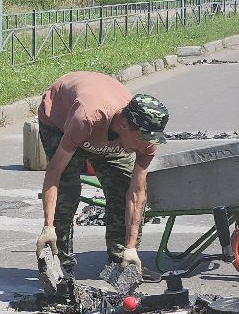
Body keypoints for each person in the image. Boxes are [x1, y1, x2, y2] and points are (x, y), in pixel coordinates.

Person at [34, 72, 169, 283]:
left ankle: (121, 263)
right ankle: (61, 262)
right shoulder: (87, 117)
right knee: (68, 189)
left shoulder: (146, 138)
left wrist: (131, 247)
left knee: (123, 186)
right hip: (60, 124)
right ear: (125, 125)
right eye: (143, 140)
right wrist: (48, 226)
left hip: (106, 136)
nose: (146, 147)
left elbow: (136, 193)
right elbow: (54, 173)